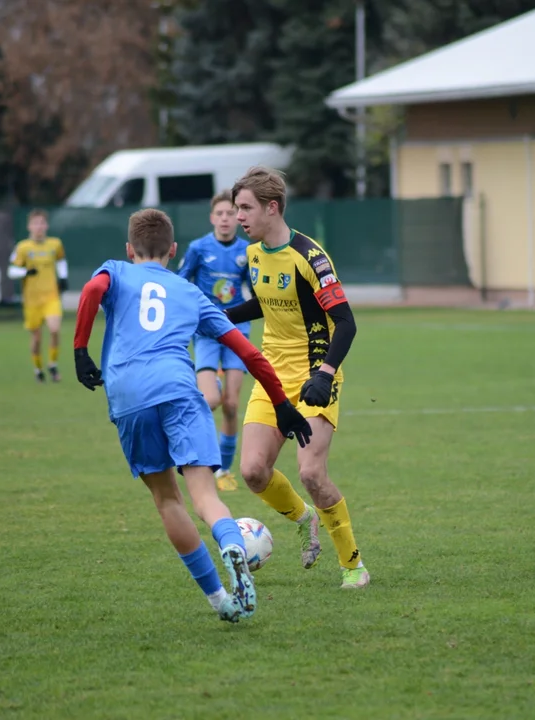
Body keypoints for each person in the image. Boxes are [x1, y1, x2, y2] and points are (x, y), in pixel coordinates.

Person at [72, 208, 312, 623]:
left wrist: (79, 351)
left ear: (130, 249)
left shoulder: (116, 271)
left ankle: (220, 599)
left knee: (167, 499)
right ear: (173, 250)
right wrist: (283, 405)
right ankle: (231, 543)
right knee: (206, 496)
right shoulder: (189, 293)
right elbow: (250, 353)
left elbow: (92, 291)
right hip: (179, 390)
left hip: (129, 394)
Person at [225, 166, 370, 590]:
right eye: (236, 209)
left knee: (311, 473)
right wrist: (221, 315)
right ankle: (305, 519)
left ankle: (353, 564)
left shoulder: (311, 256)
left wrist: (325, 375)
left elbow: (345, 321)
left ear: (272, 208)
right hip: (271, 375)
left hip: (313, 376)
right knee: (252, 471)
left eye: (246, 208)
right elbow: (266, 303)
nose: (239, 217)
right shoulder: (253, 254)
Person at [177, 190, 253, 491]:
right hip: (206, 333)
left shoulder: (247, 251)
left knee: (232, 405)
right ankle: (194, 455)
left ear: (238, 217)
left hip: (237, 331)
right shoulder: (198, 248)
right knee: (211, 400)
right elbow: (181, 282)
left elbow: (255, 289)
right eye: (220, 213)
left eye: (230, 213)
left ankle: (223, 470)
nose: (225, 218)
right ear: (212, 218)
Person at [7, 209, 68, 382]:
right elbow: (11, 270)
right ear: (29, 226)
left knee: (55, 329)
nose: (39, 227)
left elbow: (61, 260)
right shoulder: (23, 247)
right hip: (32, 300)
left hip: (51, 296)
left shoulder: (55, 244)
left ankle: (53, 365)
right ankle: (38, 368)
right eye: (35, 223)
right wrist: (25, 272)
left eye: (42, 223)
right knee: (36, 338)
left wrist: (63, 277)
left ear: (46, 225)